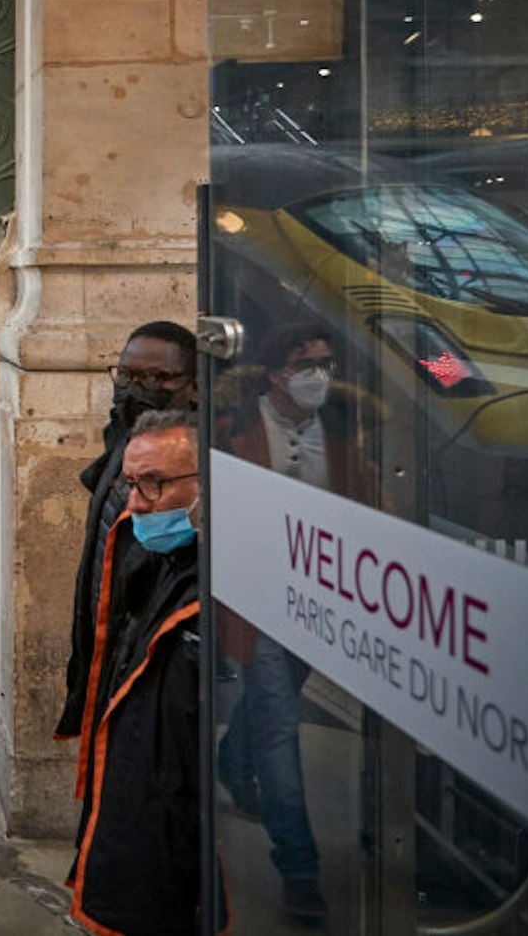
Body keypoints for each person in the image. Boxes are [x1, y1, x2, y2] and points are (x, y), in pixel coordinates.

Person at [214, 322, 369, 925]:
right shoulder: (234, 427)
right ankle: (298, 866)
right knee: (279, 723)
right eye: (306, 364)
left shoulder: (342, 431)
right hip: (258, 599)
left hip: (320, 601)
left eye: (327, 364)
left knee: (270, 701)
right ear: (277, 373)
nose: (318, 377)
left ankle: (232, 760)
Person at [68, 410, 205, 936]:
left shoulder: (223, 597)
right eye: (131, 484)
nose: (136, 503)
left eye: (155, 485)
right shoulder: (145, 554)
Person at [57, 321, 197, 740]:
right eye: (129, 376)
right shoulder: (126, 440)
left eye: (157, 377)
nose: (138, 388)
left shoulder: (195, 463)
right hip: (108, 652)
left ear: (194, 386)